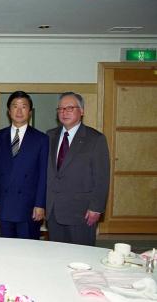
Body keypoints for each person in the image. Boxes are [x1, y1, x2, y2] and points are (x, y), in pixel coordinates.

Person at [46, 92, 110, 246]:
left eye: (70, 108)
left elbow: (102, 177)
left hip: (81, 211)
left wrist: (96, 208)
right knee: (55, 256)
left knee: (81, 258)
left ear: (82, 111)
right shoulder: (49, 136)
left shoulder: (95, 139)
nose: (64, 112)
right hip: (54, 209)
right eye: (60, 109)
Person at [0, 91, 48, 240]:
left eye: (24, 107)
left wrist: (40, 204)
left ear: (30, 111)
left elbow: (43, 174)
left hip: (29, 206)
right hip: (5, 203)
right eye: (15, 106)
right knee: (7, 249)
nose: (19, 111)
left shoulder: (41, 139)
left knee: (29, 251)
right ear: (9, 111)